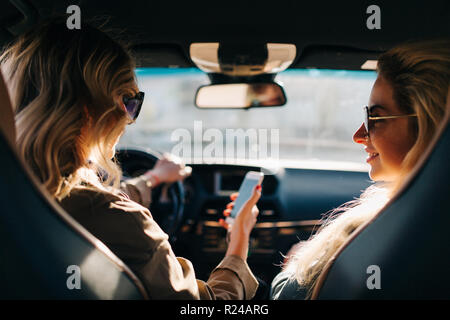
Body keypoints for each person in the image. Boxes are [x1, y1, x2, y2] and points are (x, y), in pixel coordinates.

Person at [0, 17, 262, 299]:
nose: (130, 119)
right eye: (130, 102)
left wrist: (152, 179)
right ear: (89, 111)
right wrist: (239, 244)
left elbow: (87, 205)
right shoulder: (125, 224)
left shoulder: (19, 197)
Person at [268, 39, 450, 299]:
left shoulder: (387, 230)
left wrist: (294, 266)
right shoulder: (424, 225)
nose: (358, 135)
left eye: (374, 118)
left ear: (427, 126)